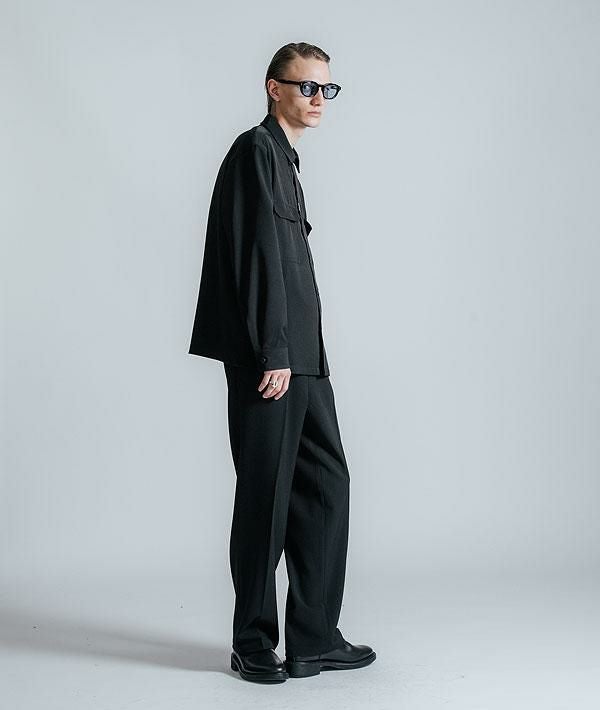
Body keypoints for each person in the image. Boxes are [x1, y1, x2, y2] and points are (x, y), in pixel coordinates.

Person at [188, 42, 376, 683]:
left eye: (327, 88)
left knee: (325, 485)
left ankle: (314, 638)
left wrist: (304, 353)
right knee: (265, 496)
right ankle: (252, 641)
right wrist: (272, 350)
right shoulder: (255, 152)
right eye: (307, 87)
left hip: (305, 359)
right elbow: (256, 254)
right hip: (273, 358)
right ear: (275, 88)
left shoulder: (285, 160)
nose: (319, 98)